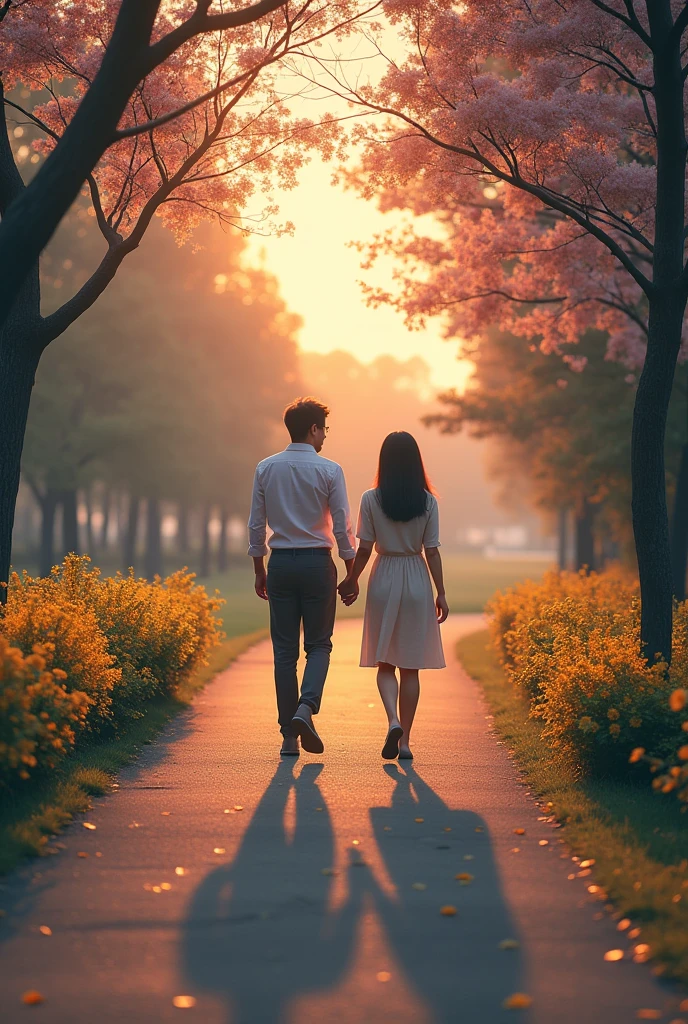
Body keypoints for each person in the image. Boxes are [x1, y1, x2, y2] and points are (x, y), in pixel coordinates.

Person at [248, 397, 356, 756]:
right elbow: (342, 526)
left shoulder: (266, 468)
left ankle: (288, 737)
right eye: (324, 429)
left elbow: (256, 524)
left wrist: (260, 569)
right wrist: (351, 570)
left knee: (283, 652)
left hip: (280, 563)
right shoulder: (329, 470)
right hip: (316, 563)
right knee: (319, 644)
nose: (325, 436)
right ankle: (305, 708)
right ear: (313, 429)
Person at [338, 432, 448, 760]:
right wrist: (440, 592)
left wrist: (351, 579)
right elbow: (433, 552)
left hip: (384, 576)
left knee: (385, 662)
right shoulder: (429, 502)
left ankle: (392, 721)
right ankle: (405, 742)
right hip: (416, 577)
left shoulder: (371, 499)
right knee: (410, 667)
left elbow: (365, 548)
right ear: (417, 462)